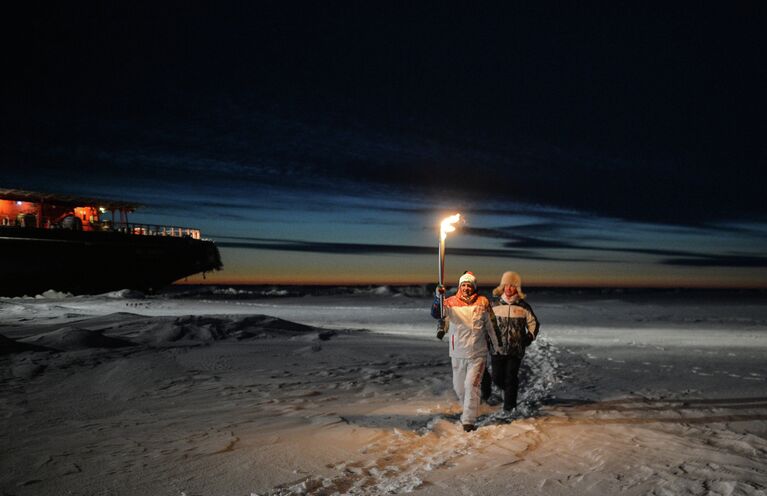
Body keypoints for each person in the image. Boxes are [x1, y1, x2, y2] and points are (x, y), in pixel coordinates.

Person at [431, 271, 499, 431]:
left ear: (474, 287)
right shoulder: (450, 302)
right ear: (460, 286)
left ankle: (469, 420)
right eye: (464, 285)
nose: (466, 288)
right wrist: (438, 297)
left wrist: (497, 345)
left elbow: (492, 326)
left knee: (471, 386)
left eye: (469, 285)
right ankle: (471, 406)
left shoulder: (482, 302)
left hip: (478, 353)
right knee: (459, 388)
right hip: (457, 352)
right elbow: (436, 314)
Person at [489, 271, 540, 414]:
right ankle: (510, 393)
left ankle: (509, 408)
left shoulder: (523, 306)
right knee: (497, 377)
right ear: (502, 286)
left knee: (511, 377)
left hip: (515, 350)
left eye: (513, 286)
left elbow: (534, 324)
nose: (509, 289)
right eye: (507, 285)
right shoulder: (493, 304)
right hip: (497, 349)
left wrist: (528, 338)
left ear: (517, 288)